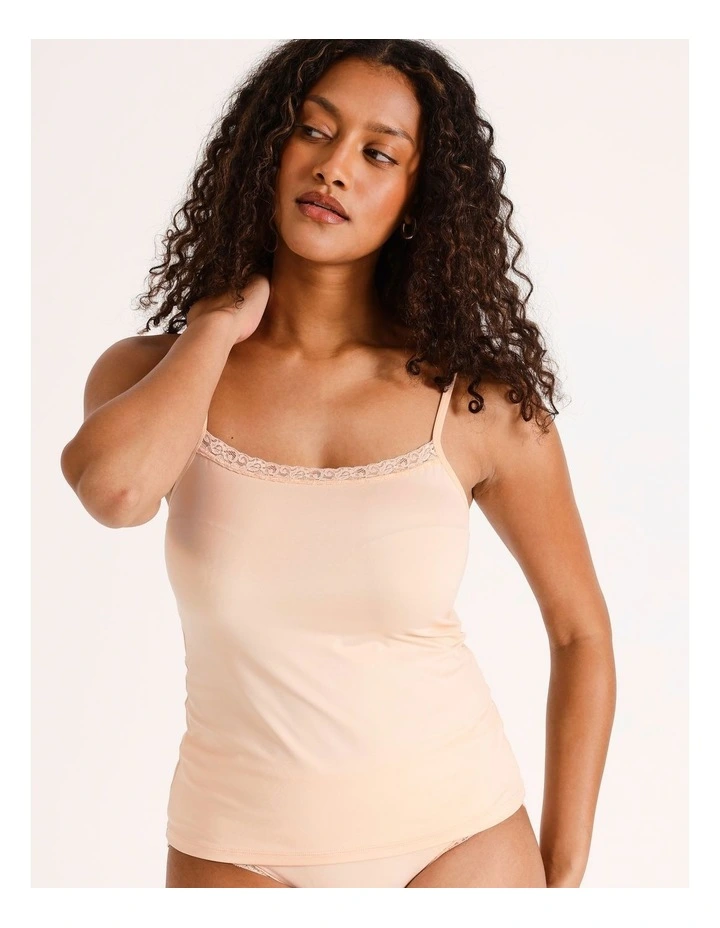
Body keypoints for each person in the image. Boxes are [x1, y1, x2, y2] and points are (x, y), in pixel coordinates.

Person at [60, 40, 616, 889]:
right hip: (233, 848)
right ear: (266, 151)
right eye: (312, 131)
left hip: (461, 842)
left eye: (378, 153)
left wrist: (562, 882)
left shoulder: (477, 404)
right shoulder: (153, 376)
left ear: (418, 198)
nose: (334, 167)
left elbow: (580, 633)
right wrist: (213, 328)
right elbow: (117, 493)